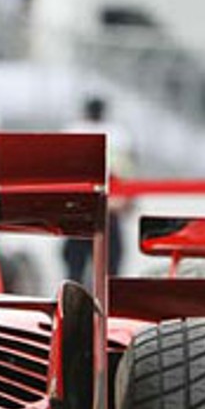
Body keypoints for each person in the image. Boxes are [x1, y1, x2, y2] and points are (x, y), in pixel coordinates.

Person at [62, 95, 134, 285]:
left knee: (75, 267)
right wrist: (128, 201)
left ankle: (74, 302)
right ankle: (110, 303)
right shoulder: (119, 134)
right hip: (110, 207)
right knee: (111, 269)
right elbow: (127, 170)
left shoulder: (73, 130)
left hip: (80, 210)